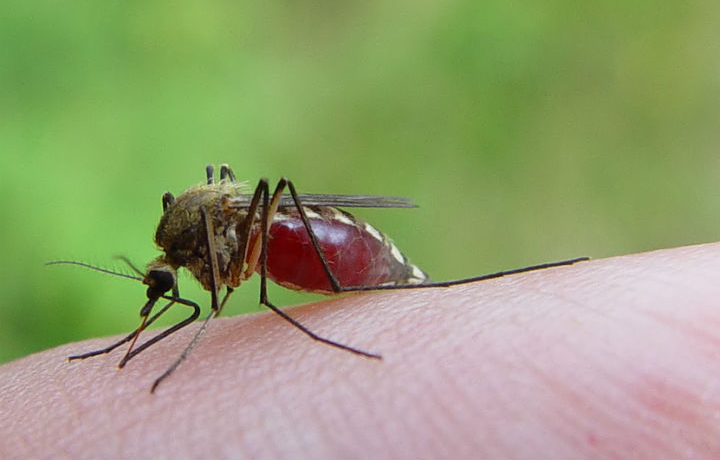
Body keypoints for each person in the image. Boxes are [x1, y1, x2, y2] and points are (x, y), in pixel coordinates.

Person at [1, 242, 719, 458]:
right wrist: (131, 343)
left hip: (293, 228)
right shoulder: (184, 264)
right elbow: (182, 297)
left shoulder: (208, 246)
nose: (160, 292)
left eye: (158, 286)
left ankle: (328, 308)